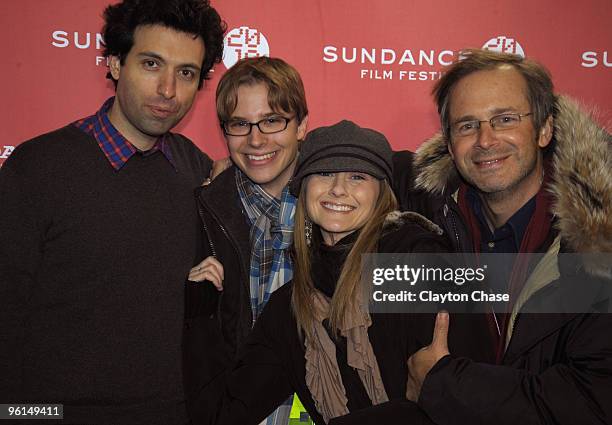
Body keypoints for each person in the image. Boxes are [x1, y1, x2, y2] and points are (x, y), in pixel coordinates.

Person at [0, 1, 225, 423]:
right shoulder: (38, 168)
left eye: (186, 73)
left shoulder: (197, 170)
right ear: (116, 64)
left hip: (171, 413)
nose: (168, 90)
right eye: (152, 63)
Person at [200, 120, 491, 425]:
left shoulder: (423, 265)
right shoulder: (292, 306)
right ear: (302, 188)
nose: (338, 189)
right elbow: (225, 412)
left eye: (357, 176)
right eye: (324, 173)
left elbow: (474, 403)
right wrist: (202, 313)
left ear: (381, 193)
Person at [395, 49, 612, 424]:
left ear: (545, 129)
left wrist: (443, 384)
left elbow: (593, 401)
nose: (485, 140)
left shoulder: (598, 240)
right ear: (448, 143)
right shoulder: (431, 221)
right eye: (467, 125)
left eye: (505, 119)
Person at [183, 56, 309, 424]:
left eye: (271, 121)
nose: (256, 140)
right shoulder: (200, 212)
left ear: (302, 126)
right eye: (240, 124)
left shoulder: (341, 202)